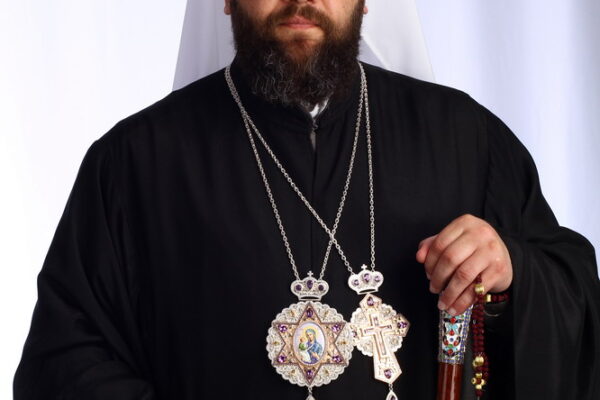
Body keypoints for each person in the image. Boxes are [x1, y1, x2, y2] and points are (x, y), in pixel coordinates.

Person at [13, 0, 600, 399]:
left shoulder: (464, 138)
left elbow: (575, 304)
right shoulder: (134, 163)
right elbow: (64, 363)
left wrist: (511, 273)